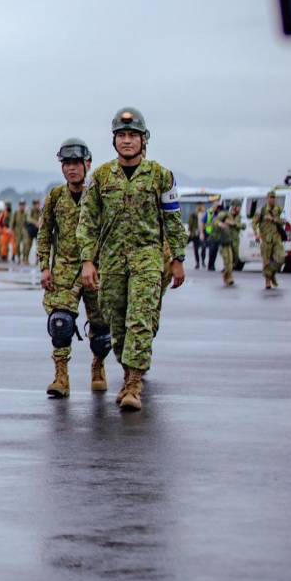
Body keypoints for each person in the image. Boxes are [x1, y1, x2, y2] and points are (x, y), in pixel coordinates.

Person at [78, 108, 187, 412]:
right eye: (121, 136)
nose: (127, 141)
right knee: (118, 324)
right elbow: (87, 222)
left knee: (139, 320)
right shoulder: (100, 177)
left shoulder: (161, 176)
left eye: (132, 136)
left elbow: (173, 220)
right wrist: (88, 260)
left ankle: (133, 384)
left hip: (147, 258)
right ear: (114, 141)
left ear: (143, 140)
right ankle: (128, 374)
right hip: (111, 261)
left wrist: (177, 258)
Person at [38, 139, 109, 397]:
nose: (71, 169)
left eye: (76, 163)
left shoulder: (99, 194)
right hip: (64, 270)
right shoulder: (56, 197)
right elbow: (44, 233)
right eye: (66, 164)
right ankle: (61, 376)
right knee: (60, 323)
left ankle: (98, 366)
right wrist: (44, 267)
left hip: (95, 269)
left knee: (102, 331)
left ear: (87, 164)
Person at [255, 191, 286, 289]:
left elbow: (284, 221)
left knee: (281, 258)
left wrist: (274, 219)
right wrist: (256, 234)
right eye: (270, 197)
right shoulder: (262, 210)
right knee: (267, 261)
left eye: (273, 197)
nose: (272, 199)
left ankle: (271, 274)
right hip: (266, 239)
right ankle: (267, 282)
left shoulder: (278, 209)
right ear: (267, 198)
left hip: (277, 238)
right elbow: (253, 223)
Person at [215, 204, 241, 287]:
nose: (239, 208)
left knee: (233, 262)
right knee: (228, 262)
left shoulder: (238, 217)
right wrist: (220, 224)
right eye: (238, 206)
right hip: (225, 242)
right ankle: (228, 278)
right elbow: (215, 221)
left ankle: (227, 276)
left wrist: (233, 224)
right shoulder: (225, 214)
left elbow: (241, 226)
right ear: (234, 207)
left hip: (233, 242)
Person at [188, 204, 207, 269]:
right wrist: (191, 232)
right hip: (195, 234)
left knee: (203, 247)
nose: (202, 208)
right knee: (196, 249)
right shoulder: (193, 215)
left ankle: (203, 261)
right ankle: (198, 263)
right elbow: (190, 224)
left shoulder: (205, 215)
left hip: (203, 233)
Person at [26, 200, 41, 265]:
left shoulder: (40, 211)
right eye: (35, 204)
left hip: (38, 231)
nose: (37, 205)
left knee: (38, 246)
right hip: (31, 230)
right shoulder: (31, 211)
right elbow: (28, 218)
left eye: (37, 203)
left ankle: (37, 260)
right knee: (28, 245)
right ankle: (26, 259)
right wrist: (35, 223)